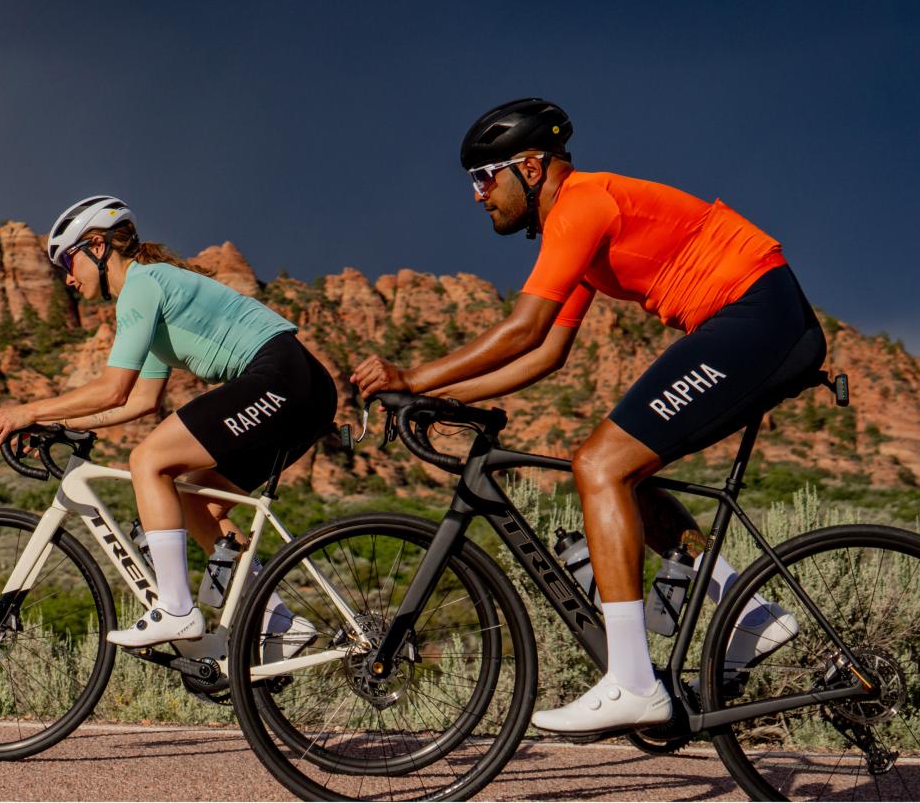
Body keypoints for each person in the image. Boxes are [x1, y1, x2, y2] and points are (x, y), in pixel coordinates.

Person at [352, 99, 824, 734]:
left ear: (529, 167)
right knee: (623, 472)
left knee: (599, 465)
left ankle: (633, 682)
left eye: (484, 178)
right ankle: (748, 612)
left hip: (757, 317)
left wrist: (413, 379)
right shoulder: (574, 225)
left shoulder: (581, 204)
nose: (478, 196)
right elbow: (547, 353)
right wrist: (447, 399)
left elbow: (524, 328)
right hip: (754, 320)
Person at [0, 195, 336, 649]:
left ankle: (177, 610)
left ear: (97, 246)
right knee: (197, 505)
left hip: (282, 376)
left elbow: (112, 389)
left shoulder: (142, 285)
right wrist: (57, 422)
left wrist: (26, 411)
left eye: (68, 261)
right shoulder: (151, 291)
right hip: (304, 389)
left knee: (147, 460)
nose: (67, 278)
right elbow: (140, 402)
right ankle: (278, 621)